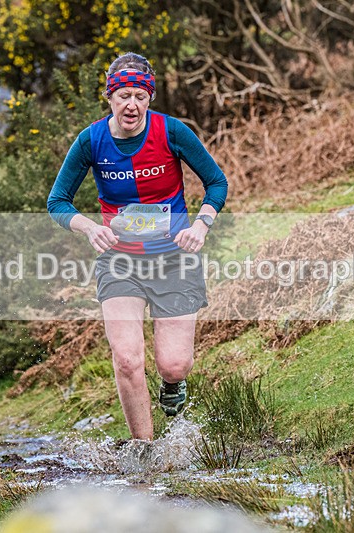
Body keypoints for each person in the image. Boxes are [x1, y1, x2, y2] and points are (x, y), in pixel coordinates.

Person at [47, 52, 228, 441]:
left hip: (174, 260)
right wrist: (88, 227)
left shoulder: (172, 132)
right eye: (124, 95)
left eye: (140, 97)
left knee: (174, 364)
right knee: (127, 359)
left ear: (150, 98)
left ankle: (174, 384)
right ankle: (143, 451)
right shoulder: (91, 141)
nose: (132, 105)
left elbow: (217, 183)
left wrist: (201, 224)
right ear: (110, 97)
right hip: (120, 262)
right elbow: (57, 200)